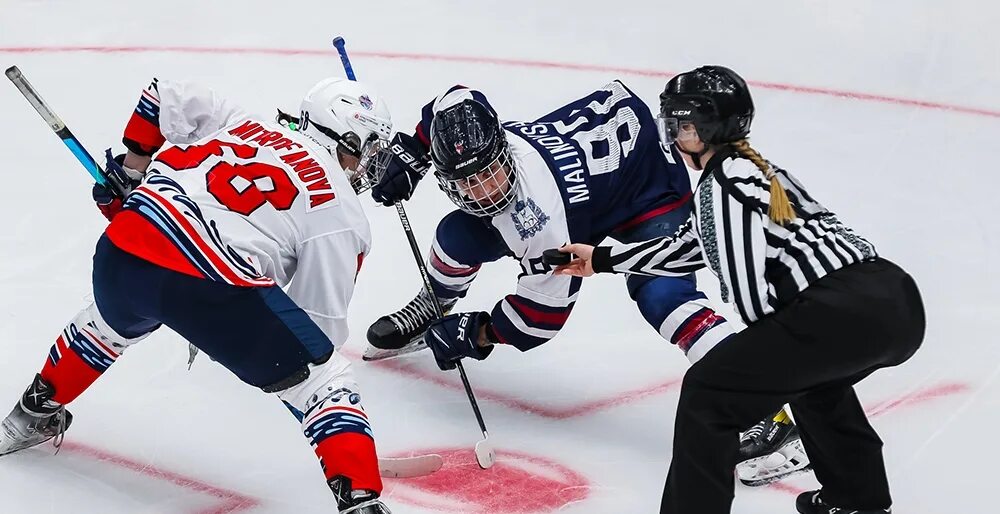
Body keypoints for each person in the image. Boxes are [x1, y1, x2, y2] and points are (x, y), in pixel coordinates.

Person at [367, 81, 808, 483]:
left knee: (664, 298)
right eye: (466, 180)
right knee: (456, 233)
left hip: (647, 184)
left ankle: (770, 412)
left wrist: (477, 333)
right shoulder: (492, 147)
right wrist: (412, 150)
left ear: (503, 150)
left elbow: (541, 318)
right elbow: (456, 100)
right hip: (593, 174)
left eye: (488, 173)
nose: (482, 191)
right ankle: (433, 306)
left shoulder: (540, 219)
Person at [0, 76, 395, 514]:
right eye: (369, 150)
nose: (368, 166)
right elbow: (317, 327)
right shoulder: (343, 212)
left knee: (108, 322)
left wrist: (132, 170)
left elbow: (163, 93)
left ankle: (31, 412)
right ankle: (361, 502)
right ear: (345, 137)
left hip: (123, 248)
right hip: (210, 282)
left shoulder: (246, 122)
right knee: (324, 380)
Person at [554, 65, 925, 514]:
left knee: (707, 396)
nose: (674, 137)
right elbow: (691, 247)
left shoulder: (721, 185)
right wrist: (603, 260)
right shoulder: (756, 170)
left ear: (706, 128)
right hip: (893, 300)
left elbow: (752, 299)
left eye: (682, 125)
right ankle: (857, 502)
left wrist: (754, 370)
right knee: (814, 382)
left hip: (837, 310)